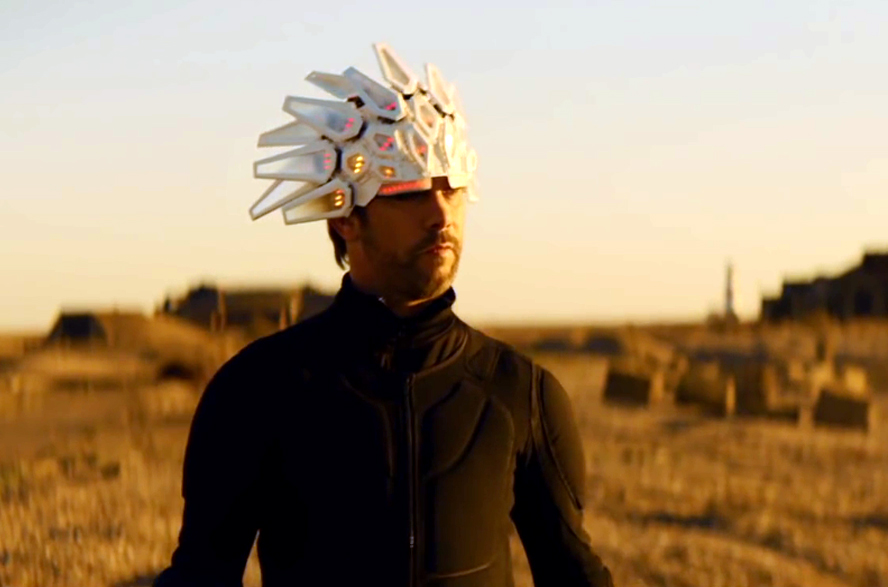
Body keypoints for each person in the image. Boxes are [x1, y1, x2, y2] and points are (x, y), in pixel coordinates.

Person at [154, 43, 614, 587]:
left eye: (453, 186)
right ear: (344, 217)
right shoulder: (258, 389)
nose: (441, 213)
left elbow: (575, 575)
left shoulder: (522, 394)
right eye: (410, 189)